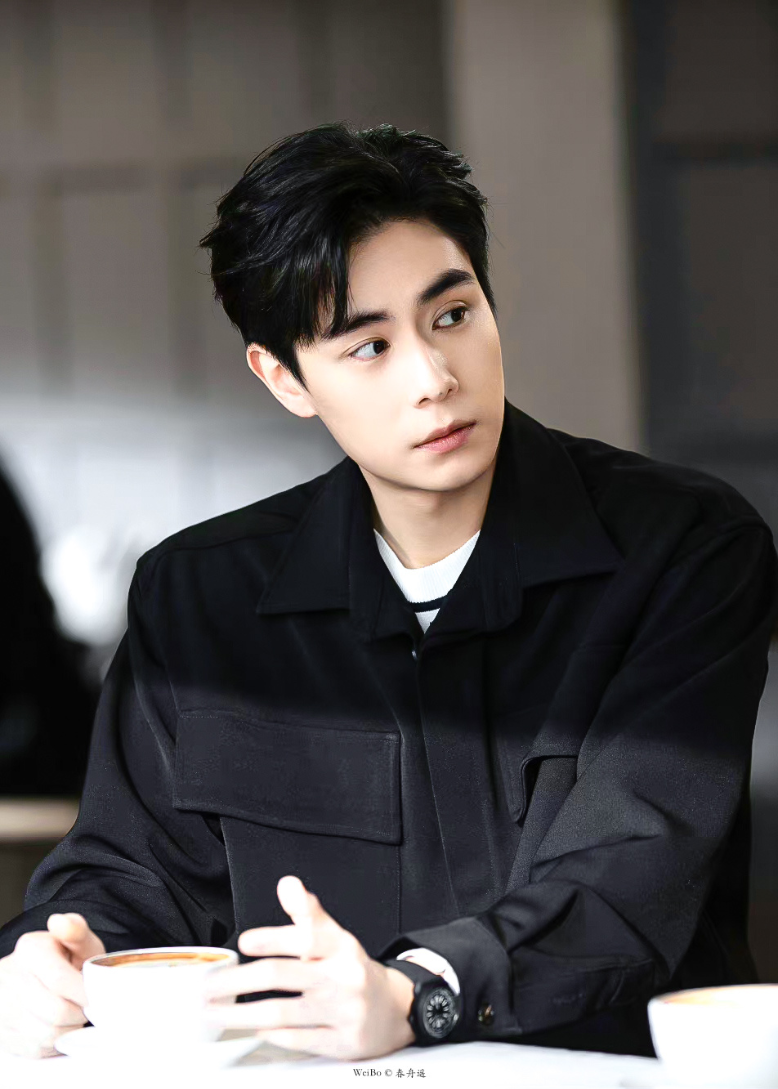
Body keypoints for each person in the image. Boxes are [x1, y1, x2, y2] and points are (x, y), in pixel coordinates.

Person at [0, 121, 776, 1062]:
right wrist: (53, 960)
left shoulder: (686, 549)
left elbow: (635, 869)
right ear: (285, 378)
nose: (435, 378)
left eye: (452, 315)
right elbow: (129, 875)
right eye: (368, 346)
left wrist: (418, 992)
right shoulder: (196, 596)